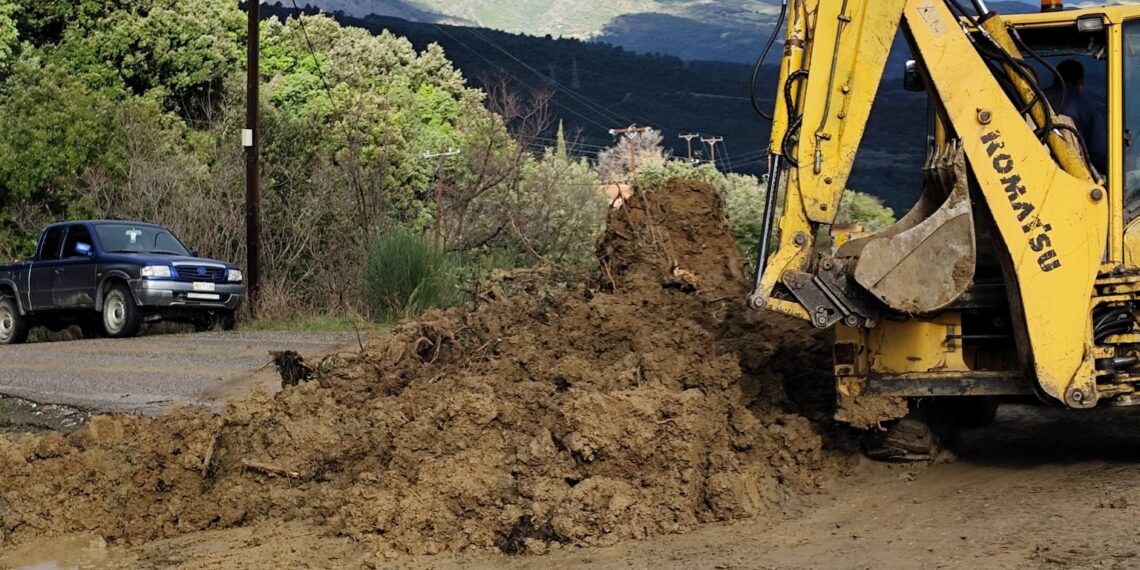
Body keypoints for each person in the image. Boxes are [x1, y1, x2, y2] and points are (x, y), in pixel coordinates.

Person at [1045, 59, 1108, 174]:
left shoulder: (1031, 101)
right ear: (1080, 83)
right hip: (1074, 178)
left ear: (1055, 79)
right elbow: (1100, 156)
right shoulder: (1089, 109)